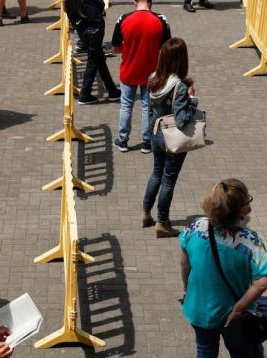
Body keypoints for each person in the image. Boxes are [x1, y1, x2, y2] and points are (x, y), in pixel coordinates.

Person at [179, 180, 267, 358]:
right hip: (235, 316)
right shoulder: (250, 241)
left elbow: (184, 263)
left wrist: (187, 290)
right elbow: (261, 283)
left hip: (200, 308)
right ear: (241, 210)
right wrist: (240, 307)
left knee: (205, 354)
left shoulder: (194, 228)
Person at [143, 38, 197, 238]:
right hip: (172, 138)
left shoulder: (153, 78)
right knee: (168, 180)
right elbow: (182, 120)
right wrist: (192, 99)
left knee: (156, 173)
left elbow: (149, 110)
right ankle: (162, 222)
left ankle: (145, 212)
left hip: (156, 133)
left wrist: (150, 133)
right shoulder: (180, 87)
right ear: (181, 59)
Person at [111, 0, 170, 153]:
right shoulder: (161, 20)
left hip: (128, 70)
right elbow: (166, 47)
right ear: (152, 2)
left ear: (134, 1)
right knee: (147, 108)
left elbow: (116, 47)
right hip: (151, 73)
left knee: (126, 106)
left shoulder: (123, 18)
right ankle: (147, 142)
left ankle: (123, 141)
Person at [67, 0, 120, 104]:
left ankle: (112, 90)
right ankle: (85, 94)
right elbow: (100, 4)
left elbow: (68, 10)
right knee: (93, 61)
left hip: (81, 26)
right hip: (93, 25)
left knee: (98, 58)